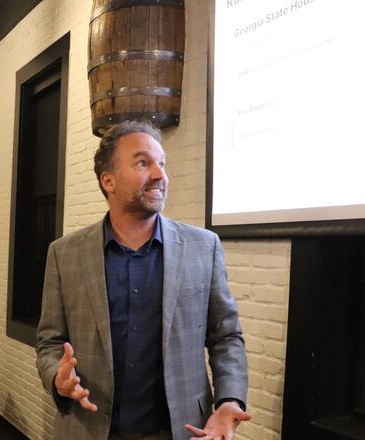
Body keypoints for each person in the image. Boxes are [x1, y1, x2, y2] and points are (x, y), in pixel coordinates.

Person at [36, 121, 251, 440]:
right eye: (142, 163)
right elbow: (50, 342)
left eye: (161, 164)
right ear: (108, 180)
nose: (159, 174)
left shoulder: (203, 248)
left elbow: (226, 337)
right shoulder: (64, 254)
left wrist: (228, 399)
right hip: (90, 429)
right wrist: (57, 377)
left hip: (180, 430)